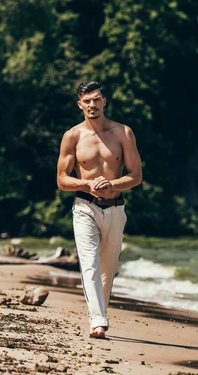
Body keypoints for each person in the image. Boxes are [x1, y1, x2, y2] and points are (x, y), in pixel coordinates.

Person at [56, 81, 142, 339]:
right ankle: (98, 321)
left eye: (96, 99)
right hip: (84, 207)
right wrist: (87, 183)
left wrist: (112, 183)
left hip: (116, 208)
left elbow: (136, 175)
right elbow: (62, 180)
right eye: (87, 100)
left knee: (108, 268)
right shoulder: (72, 136)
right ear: (79, 104)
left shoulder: (123, 133)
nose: (92, 105)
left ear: (104, 101)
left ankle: (99, 314)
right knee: (90, 266)